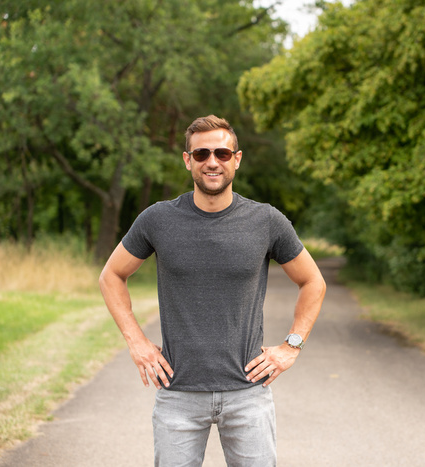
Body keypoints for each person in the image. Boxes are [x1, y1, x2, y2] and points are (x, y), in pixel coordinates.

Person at [99, 115, 326, 467]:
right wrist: (137, 342)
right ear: (188, 160)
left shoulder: (266, 221)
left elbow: (313, 282)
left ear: (236, 159)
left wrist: (291, 346)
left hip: (249, 394)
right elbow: (111, 275)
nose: (212, 162)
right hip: (178, 395)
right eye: (201, 153)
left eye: (222, 153)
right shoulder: (157, 220)